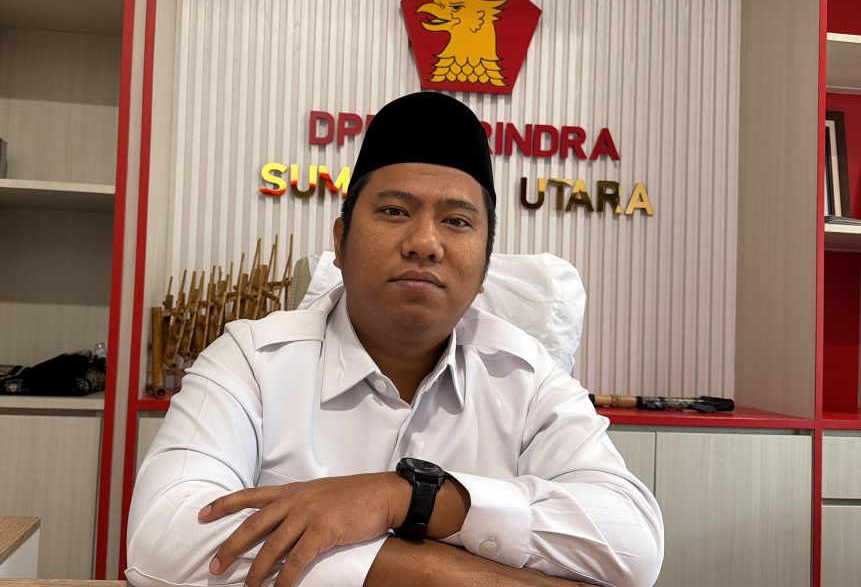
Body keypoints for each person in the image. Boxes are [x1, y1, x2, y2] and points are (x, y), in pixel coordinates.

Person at [126, 92, 664, 587]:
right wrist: (452, 574)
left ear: (484, 267)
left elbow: (633, 544)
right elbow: (165, 541)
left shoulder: (526, 375)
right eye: (394, 211)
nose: (425, 242)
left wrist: (405, 499)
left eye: (457, 221)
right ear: (341, 241)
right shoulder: (251, 361)